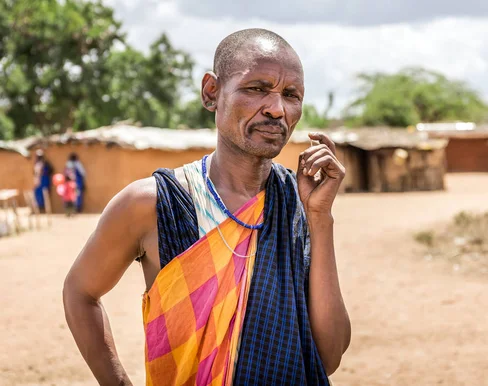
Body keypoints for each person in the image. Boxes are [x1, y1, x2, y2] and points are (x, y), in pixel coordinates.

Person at [63, 28, 351, 385]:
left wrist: (321, 219)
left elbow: (329, 355)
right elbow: (80, 292)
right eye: (257, 88)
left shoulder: (299, 203)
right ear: (211, 92)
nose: (277, 109)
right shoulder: (155, 203)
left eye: (291, 95)